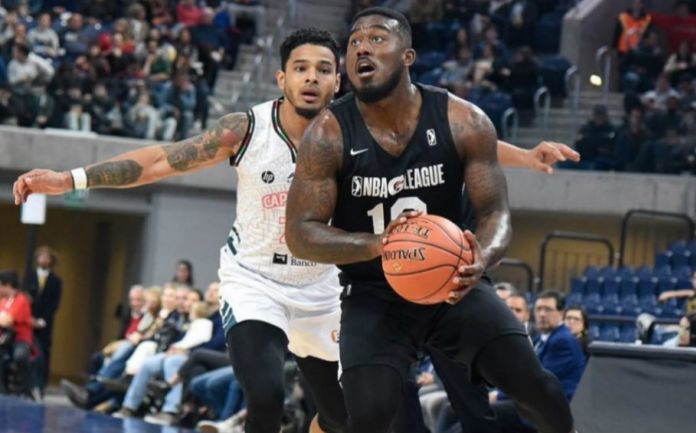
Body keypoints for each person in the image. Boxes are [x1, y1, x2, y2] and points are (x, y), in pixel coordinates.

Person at [13, 24, 578, 433]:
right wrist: (73, 178)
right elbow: (162, 160)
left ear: (339, 82)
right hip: (256, 280)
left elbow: (456, 136)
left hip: (327, 286)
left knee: (343, 418)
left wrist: (526, 157)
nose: (312, 78)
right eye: (301, 68)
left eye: (324, 70)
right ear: (282, 76)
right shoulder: (245, 128)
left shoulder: (356, 126)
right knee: (261, 395)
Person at [285, 8, 575, 433]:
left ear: (408, 55)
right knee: (366, 417)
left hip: (454, 283)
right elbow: (300, 232)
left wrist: (485, 255)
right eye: (354, 42)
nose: (362, 46)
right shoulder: (328, 134)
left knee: (536, 387)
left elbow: (495, 212)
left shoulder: (463, 119)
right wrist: (377, 244)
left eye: (377, 38)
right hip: (374, 294)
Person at [24, 246, 61, 393]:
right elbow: (25, 298)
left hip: (46, 323)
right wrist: (29, 318)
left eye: (47, 257)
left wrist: (43, 320)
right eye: (41, 257)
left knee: (44, 352)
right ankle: (28, 383)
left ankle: (41, 384)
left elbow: (55, 302)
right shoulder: (29, 277)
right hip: (29, 320)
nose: (43, 260)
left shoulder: (56, 281)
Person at [0, 270, 34, 397]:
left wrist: (3, 319)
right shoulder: (3, 301)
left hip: (20, 339)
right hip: (5, 338)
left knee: (19, 356)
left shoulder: (21, 300)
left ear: (8, 285)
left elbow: (7, 321)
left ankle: (26, 388)